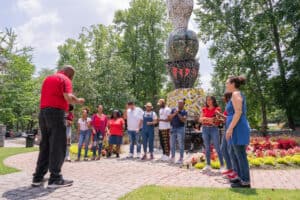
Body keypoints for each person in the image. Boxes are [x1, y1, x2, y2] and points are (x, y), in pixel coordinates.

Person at [32, 65, 85, 188]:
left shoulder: (48, 78)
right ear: (70, 75)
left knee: (45, 145)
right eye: (72, 77)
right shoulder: (64, 79)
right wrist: (78, 100)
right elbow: (68, 97)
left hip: (43, 113)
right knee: (58, 145)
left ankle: (38, 177)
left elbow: (55, 97)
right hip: (56, 114)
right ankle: (55, 179)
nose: (71, 80)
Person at [225, 76, 251, 188]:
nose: (226, 85)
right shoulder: (235, 95)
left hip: (238, 128)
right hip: (236, 127)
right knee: (236, 154)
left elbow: (238, 112)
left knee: (240, 154)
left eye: (227, 83)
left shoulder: (236, 94)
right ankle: (240, 178)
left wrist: (230, 129)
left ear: (232, 83)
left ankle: (245, 181)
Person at [199, 96, 225, 172]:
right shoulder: (204, 109)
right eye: (207, 100)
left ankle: (222, 165)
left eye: (210, 100)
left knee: (217, 147)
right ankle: (208, 165)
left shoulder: (217, 109)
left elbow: (215, 120)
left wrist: (205, 118)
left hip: (214, 129)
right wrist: (208, 119)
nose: (208, 101)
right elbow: (200, 120)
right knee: (207, 147)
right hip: (205, 129)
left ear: (213, 101)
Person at [217, 92, 234, 177]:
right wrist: (219, 118)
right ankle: (229, 168)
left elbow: (231, 118)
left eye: (223, 97)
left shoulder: (232, 106)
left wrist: (219, 115)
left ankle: (234, 170)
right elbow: (225, 120)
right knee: (223, 148)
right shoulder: (227, 106)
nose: (222, 98)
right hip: (226, 129)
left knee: (230, 150)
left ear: (227, 97)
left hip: (231, 130)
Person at [168, 99, 187, 164]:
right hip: (173, 128)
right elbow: (169, 118)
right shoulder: (173, 110)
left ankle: (181, 158)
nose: (179, 105)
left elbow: (183, 120)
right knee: (172, 144)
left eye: (181, 103)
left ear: (183, 104)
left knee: (181, 144)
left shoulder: (184, 111)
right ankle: (173, 157)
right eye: (178, 103)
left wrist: (178, 113)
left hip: (180, 129)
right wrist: (175, 113)